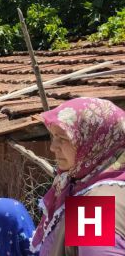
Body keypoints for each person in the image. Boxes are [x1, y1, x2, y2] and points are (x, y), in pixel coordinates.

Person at [31, 97, 125, 255]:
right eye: (53, 137)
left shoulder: (93, 206)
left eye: (63, 138)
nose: (53, 147)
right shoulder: (89, 185)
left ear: (94, 142)